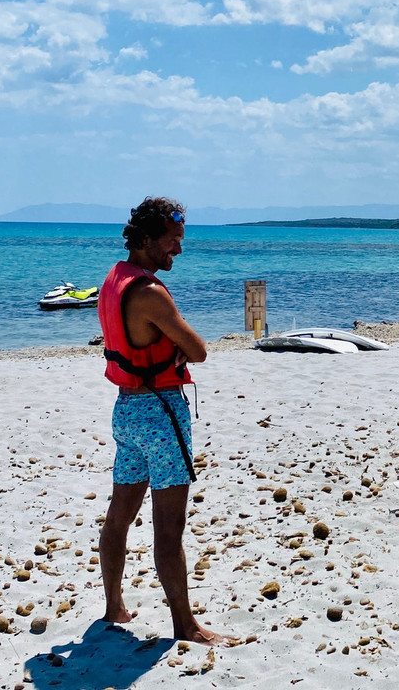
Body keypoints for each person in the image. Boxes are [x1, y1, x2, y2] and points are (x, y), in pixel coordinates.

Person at [97, 197, 227, 645]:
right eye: (173, 241)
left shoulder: (114, 279)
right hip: (160, 411)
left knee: (120, 515)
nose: (179, 250)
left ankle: (113, 605)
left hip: (126, 410)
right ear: (148, 239)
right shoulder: (150, 292)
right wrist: (177, 346)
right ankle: (185, 625)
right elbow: (198, 350)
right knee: (169, 527)